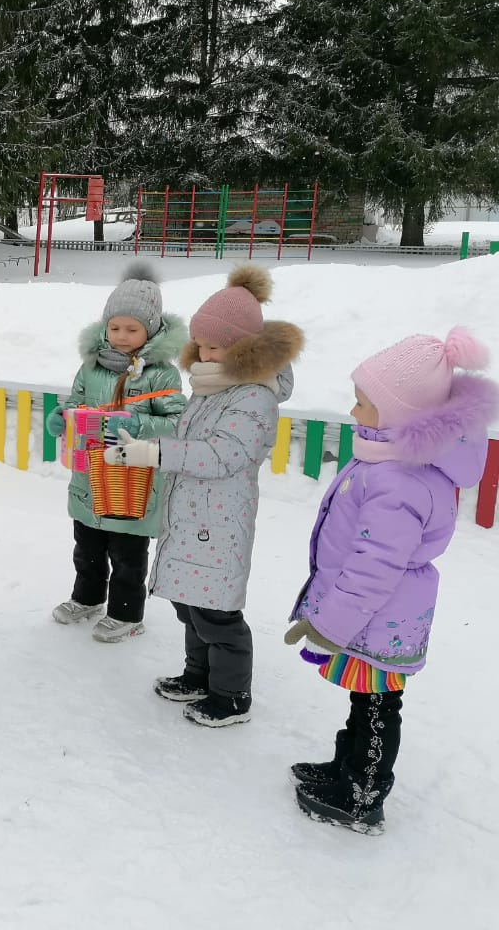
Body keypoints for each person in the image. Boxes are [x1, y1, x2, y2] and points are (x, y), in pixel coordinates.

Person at [283, 328, 498, 833]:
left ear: (400, 415)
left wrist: (329, 625)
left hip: (380, 615)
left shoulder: (400, 479)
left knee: (378, 704)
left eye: (363, 404)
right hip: (375, 615)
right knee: (367, 700)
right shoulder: (389, 460)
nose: (353, 412)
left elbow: (374, 565)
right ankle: (346, 770)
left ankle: (363, 795)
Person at [105, 264, 303, 727]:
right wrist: (145, 437)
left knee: (217, 614)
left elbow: (223, 454)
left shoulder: (253, 395)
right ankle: (199, 674)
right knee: (189, 604)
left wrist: (155, 453)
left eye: (216, 346)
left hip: (219, 523)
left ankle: (232, 695)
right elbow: (189, 433)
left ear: (244, 348)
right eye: (202, 345)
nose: (205, 353)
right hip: (192, 517)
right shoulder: (211, 388)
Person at [45, 263, 187, 642]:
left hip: (133, 479)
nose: (122, 336)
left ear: (151, 330)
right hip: (90, 475)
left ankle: (127, 614)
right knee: (87, 545)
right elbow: (75, 402)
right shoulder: (91, 367)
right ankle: (87, 598)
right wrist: (61, 418)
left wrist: (143, 427)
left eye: (132, 329)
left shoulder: (161, 374)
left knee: (127, 554)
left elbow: (178, 422)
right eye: (115, 327)